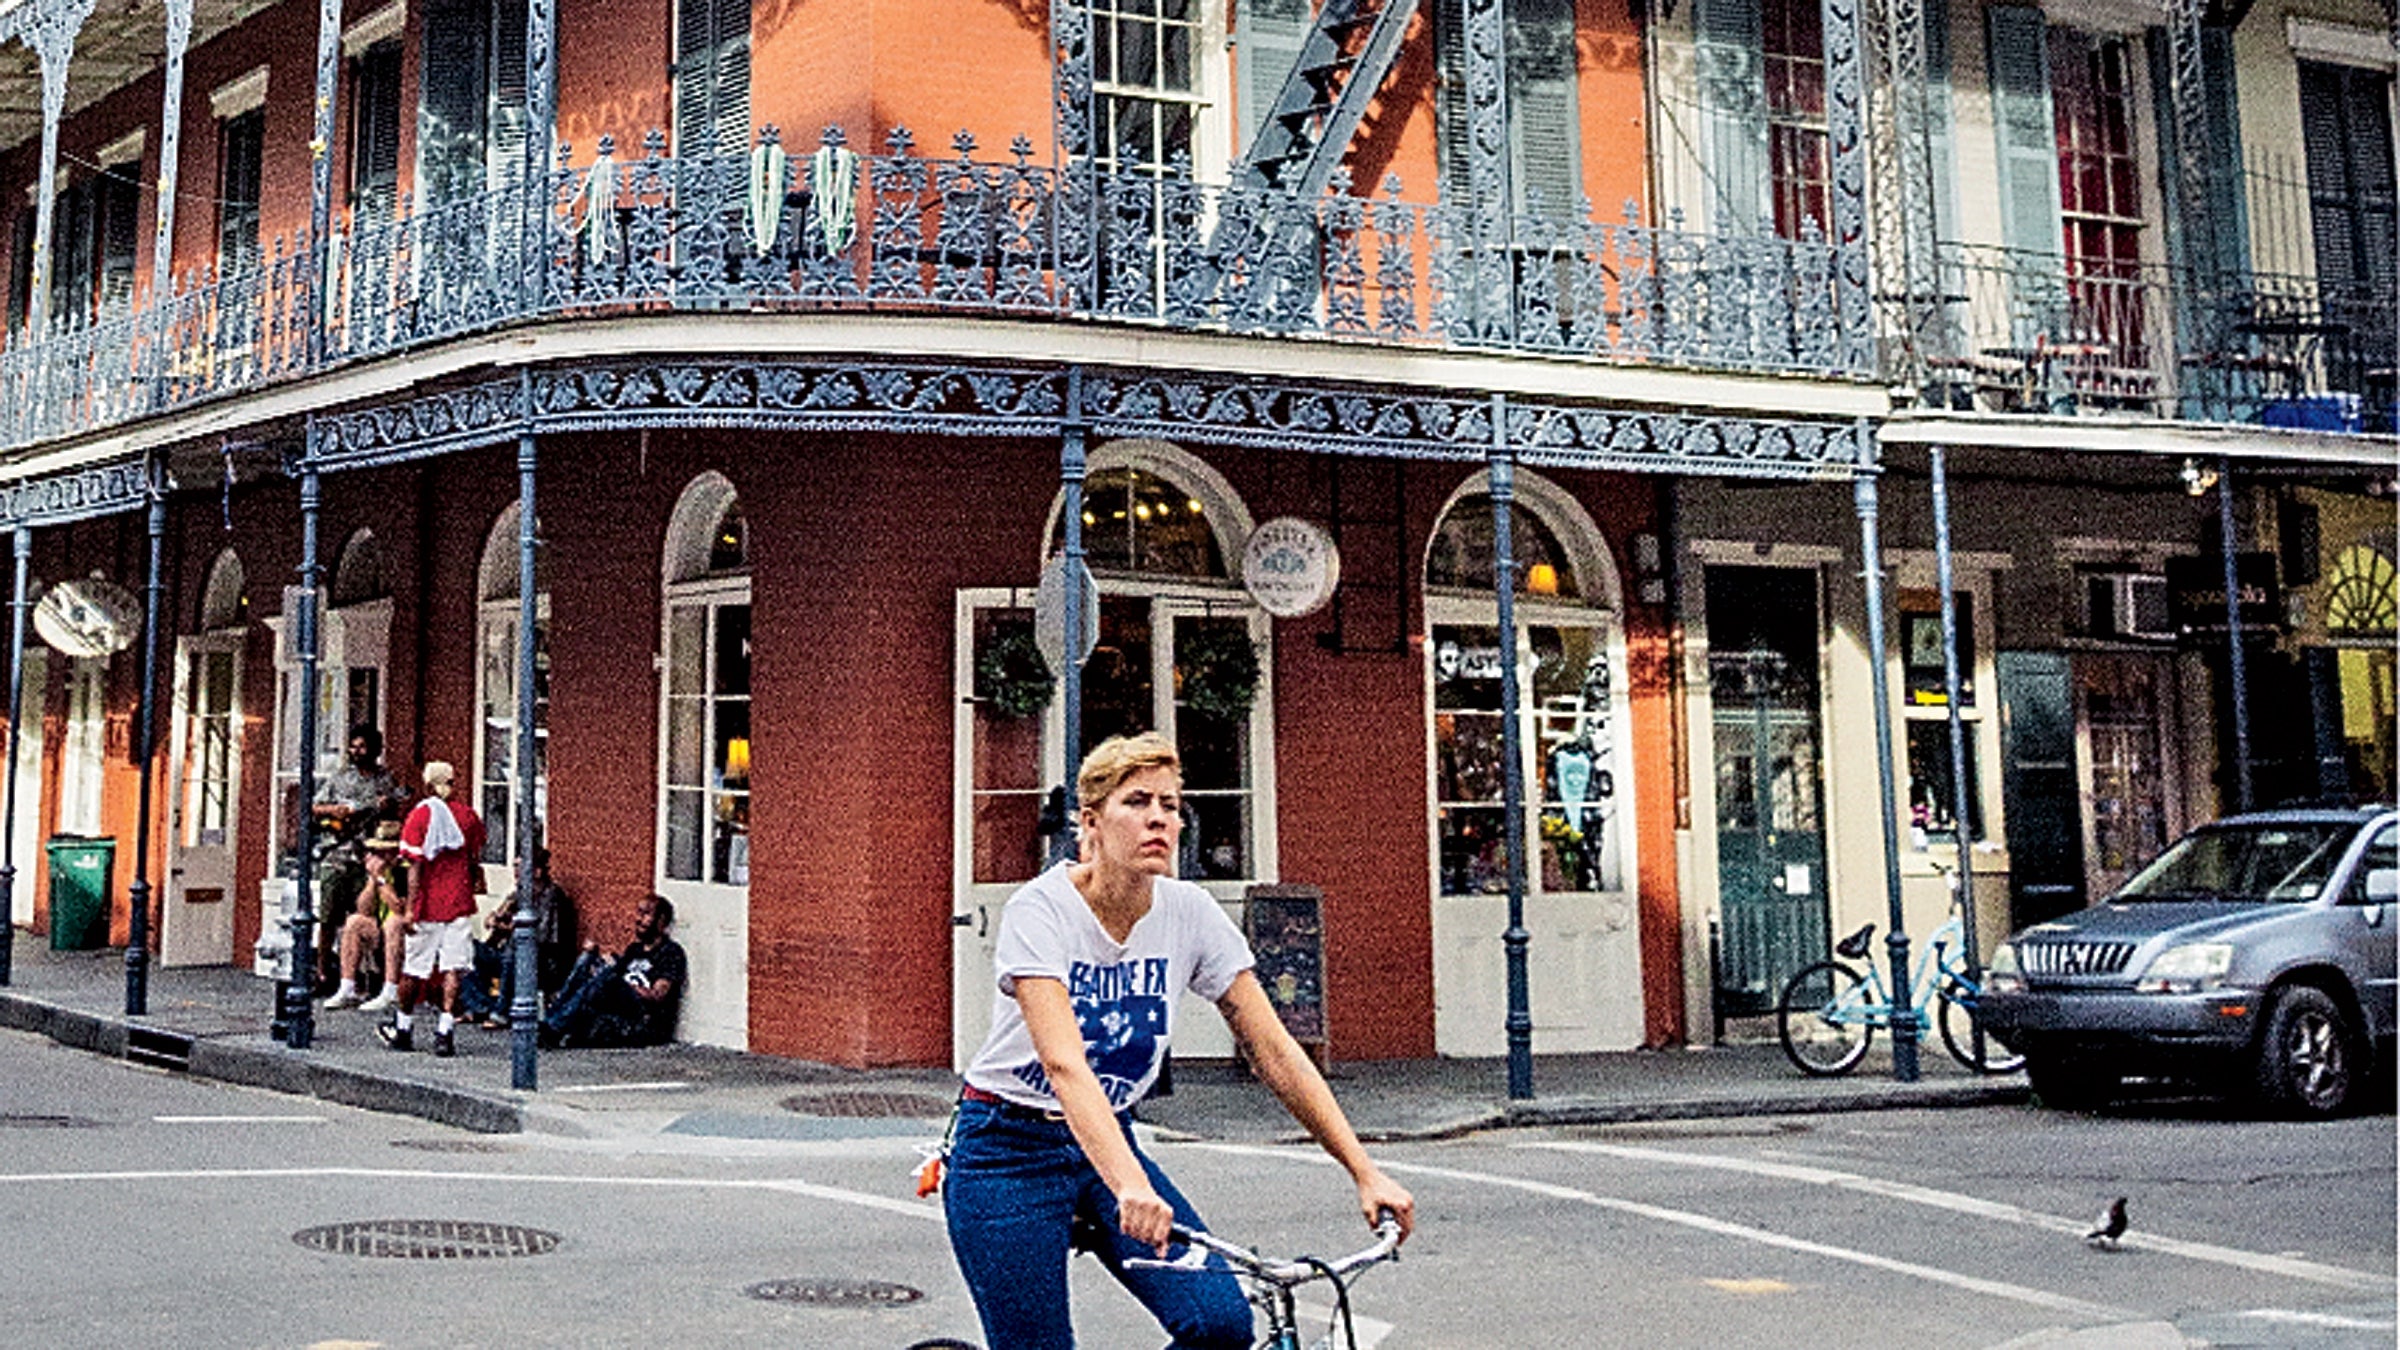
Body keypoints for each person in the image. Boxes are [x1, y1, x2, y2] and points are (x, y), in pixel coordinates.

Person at [943, 732, 1414, 1350]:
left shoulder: (1188, 913)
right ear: (1091, 822)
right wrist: (1129, 1184)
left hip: (1108, 1139)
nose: (1159, 818)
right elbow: (1064, 1064)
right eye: (1138, 802)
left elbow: (1274, 1052)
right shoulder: (1042, 910)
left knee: (1219, 1325)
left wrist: (1364, 1171)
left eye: (1171, 804)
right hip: (1007, 1147)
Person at [377, 761, 487, 1057]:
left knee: (414, 969)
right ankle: (445, 1031)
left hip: (428, 904)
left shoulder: (420, 816)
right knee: (454, 968)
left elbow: (414, 867)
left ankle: (403, 1027)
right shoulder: (468, 817)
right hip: (459, 901)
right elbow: (473, 856)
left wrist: (411, 908)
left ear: (428, 785)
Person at [310, 724, 407, 989]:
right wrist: (336, 810)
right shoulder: (341, 776)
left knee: (365, 917)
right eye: (353, 746)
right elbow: (315, 807)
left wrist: (388, 806)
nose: (356, 751)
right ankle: (322, 973)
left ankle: (364, 974)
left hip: (368, 856)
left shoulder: (385, 779)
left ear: (374, 750)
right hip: (337, 854)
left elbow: (396, 812)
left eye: (362, 747)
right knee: (328, 918)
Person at [538, 894, 685, 1048]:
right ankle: (550, 1023)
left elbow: (658, 996)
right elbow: (612, 975)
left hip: (643, 1015)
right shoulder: (634, 949)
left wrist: (624, 985)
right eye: (638, 912)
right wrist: (597, 958)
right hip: (618, 1006)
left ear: (661, 921)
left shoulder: (670, 952)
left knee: (607, 977)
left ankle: (553, 1028)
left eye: (646, 914)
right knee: (585, 961)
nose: (638, 919)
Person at [458, 847, 577, 1028]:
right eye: (514, 867)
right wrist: (495, 917)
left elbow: (542, 936)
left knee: (514, 948)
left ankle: (502, 1012)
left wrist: (509, 929)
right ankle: (478, 1006)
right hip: (511, 955)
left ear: (537, 872)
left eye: (520, 868)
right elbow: (497, 919)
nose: (515, 872)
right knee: (468, 948)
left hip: (544, 961)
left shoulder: (551, 896)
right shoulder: (519, 893)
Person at [323, 822, 408, 1011]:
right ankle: (347, 987)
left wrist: (381, 880)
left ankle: (391, 989)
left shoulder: (405, 869)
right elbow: (364, 909)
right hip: (381, 925)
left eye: (385, 852)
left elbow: (398, 907)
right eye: (377, 852)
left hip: (408, 927)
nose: (381, 857)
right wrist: (372, 881)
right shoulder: (377, 872)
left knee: (394, 923)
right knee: (354, 921)